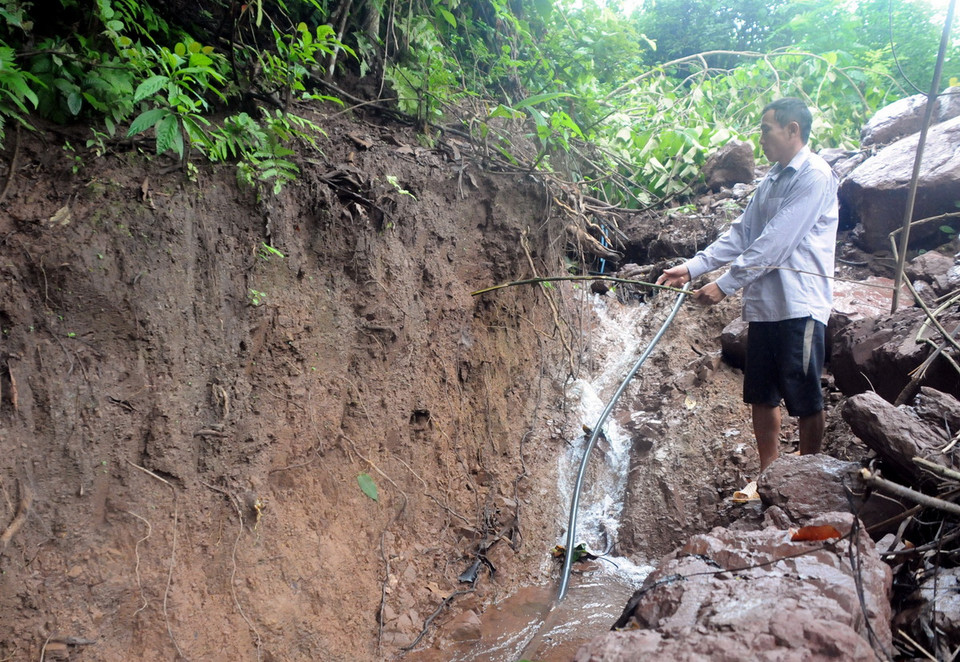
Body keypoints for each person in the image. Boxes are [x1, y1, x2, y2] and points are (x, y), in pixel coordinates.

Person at [656, 97, 839, 472]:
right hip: (765, 305)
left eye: (766, 129)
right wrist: (692, 268)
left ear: (793, 130)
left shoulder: (814, 176)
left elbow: (777, 240)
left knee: (805, 397)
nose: (761, 138)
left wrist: (725, 284)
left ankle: (808, 475)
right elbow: (742, 233)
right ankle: (768, 474)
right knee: (762, 395)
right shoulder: (772, 177)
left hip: (799, 305)